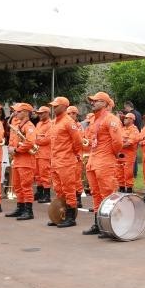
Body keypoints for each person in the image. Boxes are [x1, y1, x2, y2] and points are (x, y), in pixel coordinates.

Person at [82, 92, 124, 236]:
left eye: (96, 101)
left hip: (105, 161)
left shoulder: (111, 119)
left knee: (107, 193)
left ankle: (110, 225)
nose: (92, 102)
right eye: (92, 101)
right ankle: (98, 224)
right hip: (94, 160)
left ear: (106, 104)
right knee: (95, 193)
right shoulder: (94, 119)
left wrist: (110, 154)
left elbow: (118, 142)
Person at [45, 97, 84, 228]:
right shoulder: (55, 122)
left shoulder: (68, 122)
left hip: (66, 162)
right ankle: (60, 215)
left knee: (69, 189)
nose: (53, 108)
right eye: (53, 105)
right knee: (59, 190)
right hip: (55, 162)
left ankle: (71, 217)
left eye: (56, 106)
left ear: (64, 106)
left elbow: (78, 141)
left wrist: (72, 154)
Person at [5, 102, 38, 221]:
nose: (15, 113)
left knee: (26, 186)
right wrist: (11, 148)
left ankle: (28, 211)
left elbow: (30, 142)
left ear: (25, 113)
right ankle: (20, 208)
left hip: (26, 161)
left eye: (18, 112)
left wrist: (16, 150)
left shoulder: (29, 126)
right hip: (18, 160)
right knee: (17, 186)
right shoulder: (19, 126)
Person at [33, 106, 53, 204]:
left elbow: (47, 139)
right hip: (37, 153)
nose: (39, 115)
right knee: (37, 174)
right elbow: (36, 137)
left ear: (47, 113)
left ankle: (47, 194)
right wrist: (37, 140)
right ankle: (39, 192)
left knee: (45, 174)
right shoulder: (39, 124)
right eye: (39, 113)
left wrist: (35, 140)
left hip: (45, 154)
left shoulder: (51, 124)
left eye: (41, 113)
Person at [67, 105, 86, 209]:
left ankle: (78, 199)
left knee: (76, 178)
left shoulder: (78, 126)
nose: (71, 115)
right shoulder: (66, 124)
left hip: (77, 155)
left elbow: (79, 139)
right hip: (68, 155)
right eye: (69, 113)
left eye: (73, 113)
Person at [117, 112, 139, 193]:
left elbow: (129, 143)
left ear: (131, 120)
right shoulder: (122, 129)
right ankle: (121, 190)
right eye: (124, 118)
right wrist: (122, 143)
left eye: (126, 118)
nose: (124, 119)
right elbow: (118, 140)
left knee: (128, 174)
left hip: (128, 157)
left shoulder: (134, 130)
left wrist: (119, 144)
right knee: (119, 174)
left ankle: (129, 191)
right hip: (120, 156)